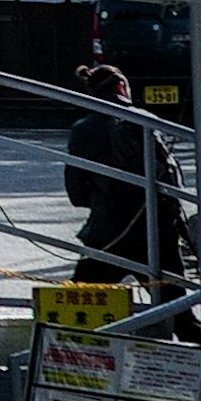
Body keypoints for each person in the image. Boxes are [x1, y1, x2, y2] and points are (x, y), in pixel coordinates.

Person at [64, 60, 159, 282]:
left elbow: (75, 189)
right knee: (175, 305)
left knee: (83, 297)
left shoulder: (83, 129)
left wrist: (99, 200)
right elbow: (170, 176)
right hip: (153, 226)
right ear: (121, 87)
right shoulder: (147, 121)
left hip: (106, 226)